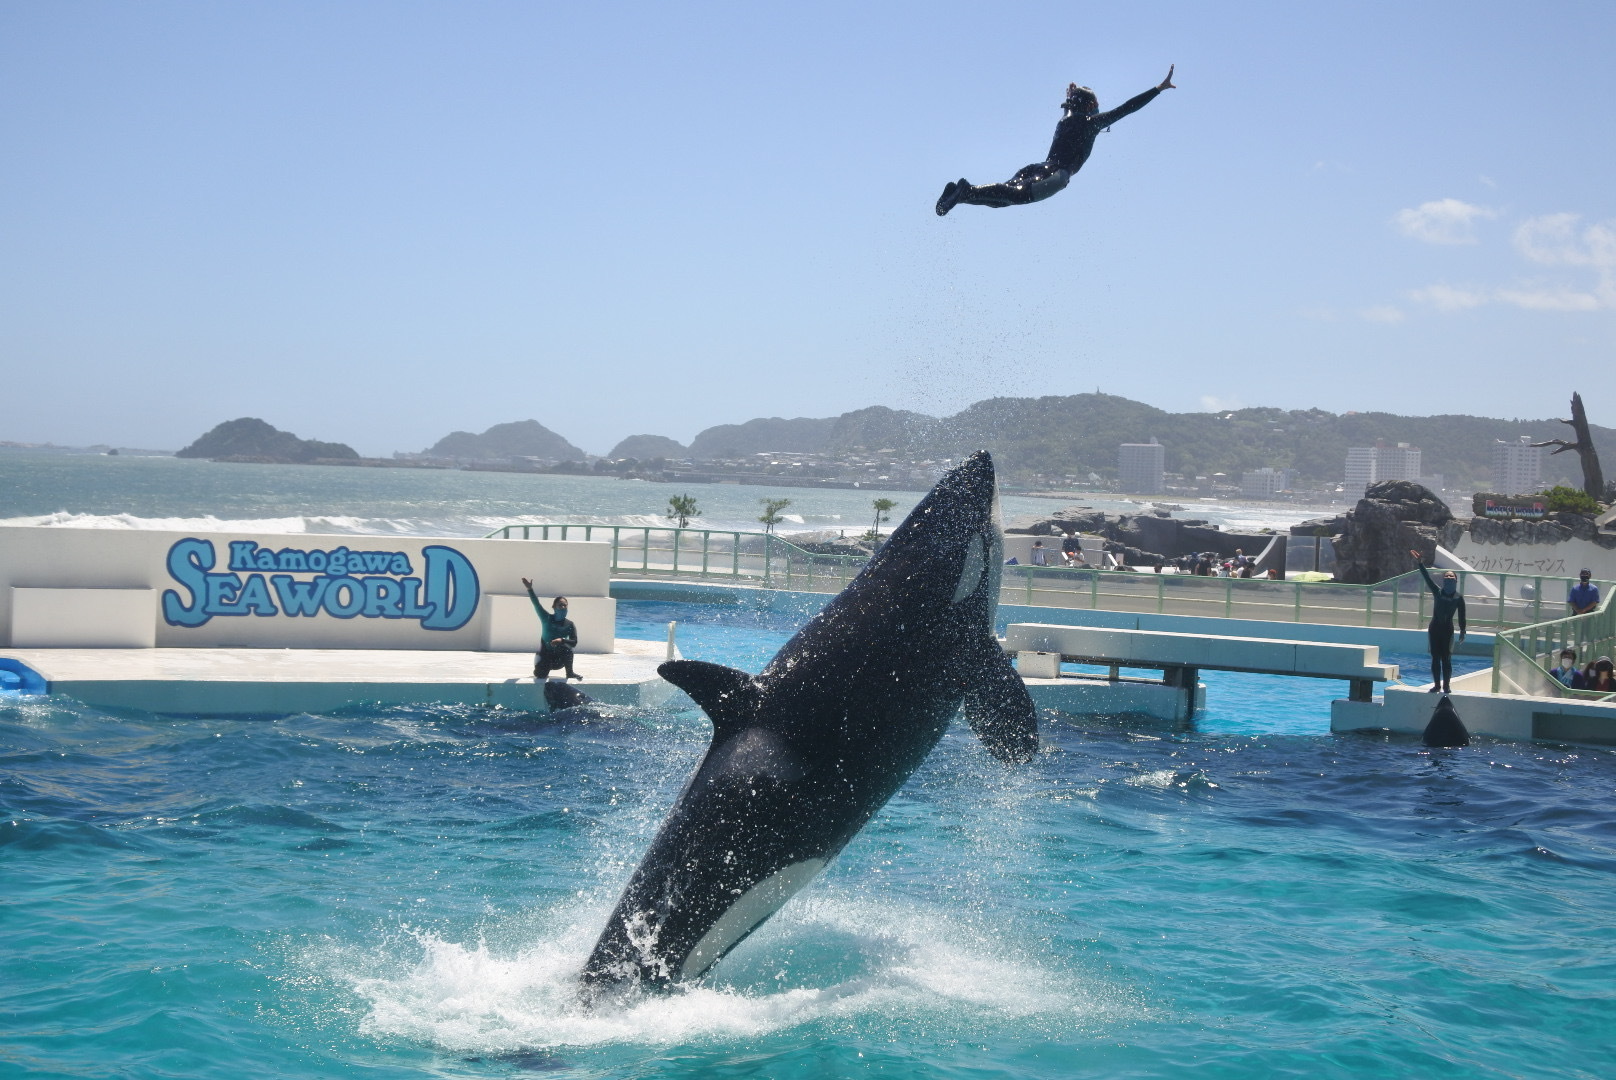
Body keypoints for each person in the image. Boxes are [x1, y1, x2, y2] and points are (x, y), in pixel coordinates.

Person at [936, 66, 1176, 215]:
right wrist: (1158, 88)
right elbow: (1126, 109)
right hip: (1056, 174)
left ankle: (961, 195)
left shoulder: (1067, 119)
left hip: (1037, 167)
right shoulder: (1090, 124)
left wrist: (1070, 94)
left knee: (1004, 200)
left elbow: (1072, 106)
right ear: (1090, 107)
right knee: (1013, 196)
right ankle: (966, 189)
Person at [1410, 550, 1467, 694]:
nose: (1448, 577)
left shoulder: (1458, 598)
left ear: (1455, 580)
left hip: (1448, 630)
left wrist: (1463, 630)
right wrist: (1420, 563)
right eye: (1446, 576)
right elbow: (1427, 577)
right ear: (1443, 579)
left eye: (1451, 576)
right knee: (1435, 658)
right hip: (1434, 629)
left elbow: (1462, 616)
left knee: (1446, 659)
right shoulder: (1437, 591)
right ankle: (1437, 685)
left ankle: (1446, 686)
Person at [523, 577, 581, 681]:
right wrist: (529, 589)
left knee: (568, 649)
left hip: (559, 660)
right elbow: (536, 604)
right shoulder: (546, 618)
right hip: (545, 656)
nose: (563, 607)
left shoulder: (570, 624)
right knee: (540, 675)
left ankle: (570, 673)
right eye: (560, 605)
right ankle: (539, 666)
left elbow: (574, 642)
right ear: (553, 607)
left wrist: (562, 640)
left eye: (565, 605)